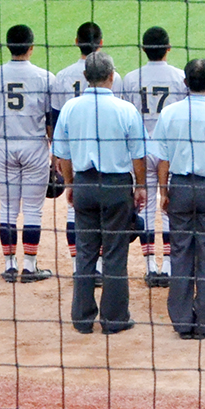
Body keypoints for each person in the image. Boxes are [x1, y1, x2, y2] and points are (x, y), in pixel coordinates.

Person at [52, 50, 147, 335]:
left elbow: (62, 154)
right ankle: (114, 320)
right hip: (117, 187)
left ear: (85, 77)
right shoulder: (125, 109)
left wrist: (70, 183)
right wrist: (140, 186)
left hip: (84, 184)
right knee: (116, 254)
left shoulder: (70, 108)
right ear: (111, 76)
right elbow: (138, 155)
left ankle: (82, 319)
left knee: (85, 252)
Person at [148, 58, 205, 339]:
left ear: (185, 83)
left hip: (181, 189)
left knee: (180, 253)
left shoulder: (169, 113)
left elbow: (162, 159)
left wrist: (164, 192)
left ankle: (182, 321)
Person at [0, 24, 59, 282]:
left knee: (8, 209)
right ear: (32, 48)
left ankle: (10, 266)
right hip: (34, 145)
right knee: (33, 210)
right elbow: (50, 120)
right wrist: (53, 152)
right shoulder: (45, 77)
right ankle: (30, 266)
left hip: (6, 145)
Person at [118, 27, 187, 287]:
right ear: (169, 48)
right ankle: (168, 267)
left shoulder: (130, 78)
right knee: (169, 205)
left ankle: (149, 267)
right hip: (170, 150)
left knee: (144, 206)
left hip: (141, 149)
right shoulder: (180, 77)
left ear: (143, 49)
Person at [50, 21, 104, 265]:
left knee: (74, 207)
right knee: (103, 209)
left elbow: (54, 118)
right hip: (104, 149)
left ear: (76, 42)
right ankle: (101, 266)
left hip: (72, 148)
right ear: (101, 43)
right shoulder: (112, 75)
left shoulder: (62, 76)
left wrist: (56, 153)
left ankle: (77, 266)